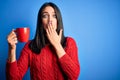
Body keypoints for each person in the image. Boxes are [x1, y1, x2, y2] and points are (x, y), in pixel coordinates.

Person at [6, 2, 80, 80]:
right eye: (45, 16)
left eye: (54, 16)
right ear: (41, 22)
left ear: (58, 20)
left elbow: (74, 76)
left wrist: (57, 45)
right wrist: (12, 49)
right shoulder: (30, 46)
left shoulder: (69, 43)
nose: (50, 20)